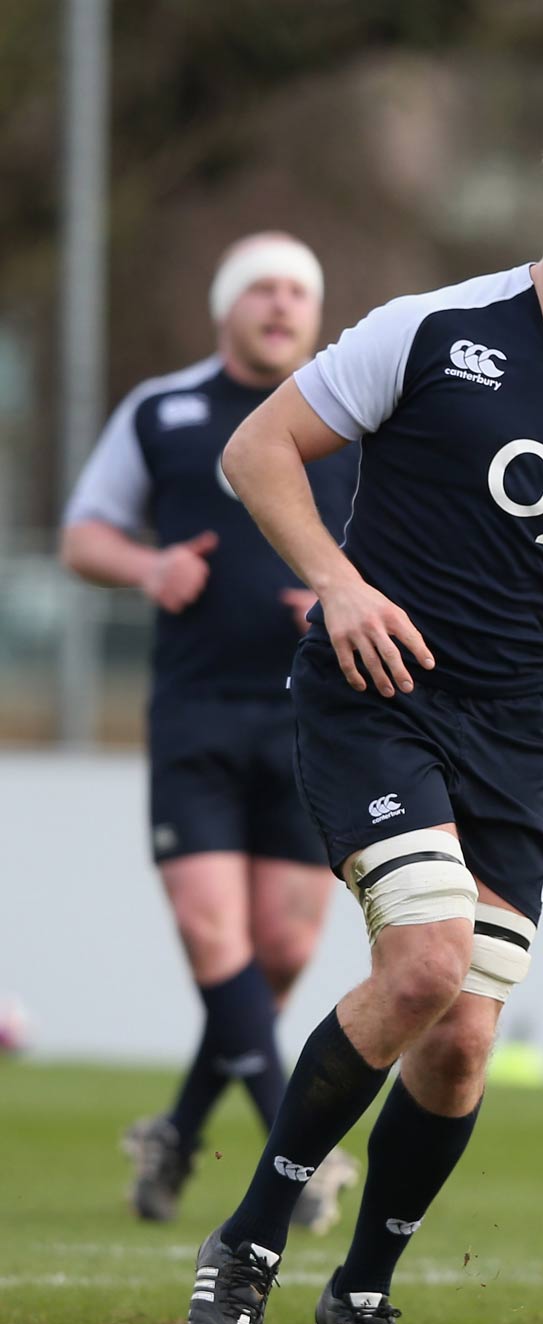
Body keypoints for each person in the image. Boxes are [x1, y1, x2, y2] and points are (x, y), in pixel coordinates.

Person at [182, 113, 543, 1324]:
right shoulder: (432, 329)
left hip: (511, 735)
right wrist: (335, 582)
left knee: (464, 1041)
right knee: (424, 961)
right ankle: (250, 1243)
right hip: (374, 697)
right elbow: (256, 451)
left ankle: (361, 1291)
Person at [62, 233, 360, 1233]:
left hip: (310, 718)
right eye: (261, 291)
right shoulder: (163, 410)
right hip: (192, 716)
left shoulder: (347, 417)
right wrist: (148, 570)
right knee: (210, 936)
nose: (280, 306)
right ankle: (299, 1152)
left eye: (296, 292)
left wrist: (342, 598)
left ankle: (178, 1133)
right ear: (224, 307)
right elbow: (84, 533)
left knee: (276, 949)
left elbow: (401, 552)